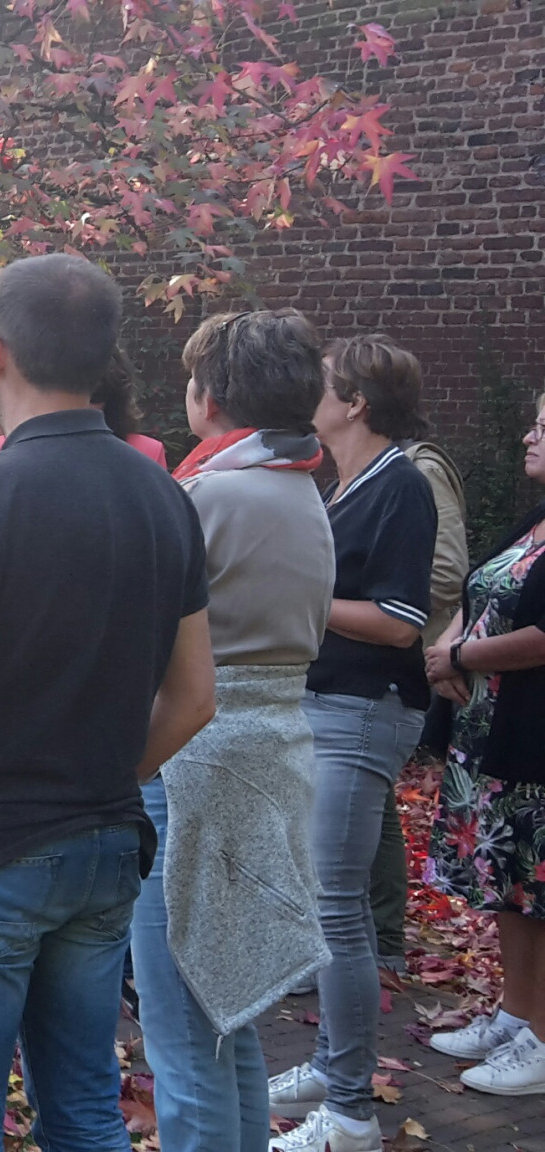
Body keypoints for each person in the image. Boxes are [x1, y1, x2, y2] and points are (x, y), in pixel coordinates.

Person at [0, 253, 217, 1149]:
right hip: (103, 844)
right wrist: (104, 774)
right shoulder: (167, 496)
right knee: (84, 1110)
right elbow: (193, 699)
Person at [131, 310, 335, 1152]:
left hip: (194, 766)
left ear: (209, 396)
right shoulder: (302, 491)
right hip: (274, 759)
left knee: (182, 1038)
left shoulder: (206, 496)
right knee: (230, 1019)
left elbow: (139, 634)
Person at [268, 334, 438, 1152]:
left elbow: (403, 624)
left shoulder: (399, 486)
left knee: (337, 908)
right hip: (331, 706)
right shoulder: (343, 484)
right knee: (328, 903)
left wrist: (300, 599)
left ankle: (348, 1114)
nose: (311, 397)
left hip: (364, 709)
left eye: (325, 385)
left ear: (356, 402)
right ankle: (338, 1063)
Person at [421, 394, 545, 1095]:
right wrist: (448, 647)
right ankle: (518, 1014)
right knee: (508, 886)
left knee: (539, 886)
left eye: (543, 427)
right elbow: (478, 591)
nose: (528, 435)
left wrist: (463, 655)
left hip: (534, 744)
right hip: (490, 737)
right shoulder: (534, 521)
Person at [367, 434, 467, 975]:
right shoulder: (365, 472)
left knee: (373, 804)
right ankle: (375, 937)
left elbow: (449, 572)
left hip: (396, 668)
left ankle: (380, 939)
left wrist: (382, 610)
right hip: (374, 666)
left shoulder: (416, 471)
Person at [0, 350, 167, 467]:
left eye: (95, 395)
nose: (81, 404)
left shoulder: (146, 452)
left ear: (111, 396)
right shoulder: (0, 450)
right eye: (68, 390)